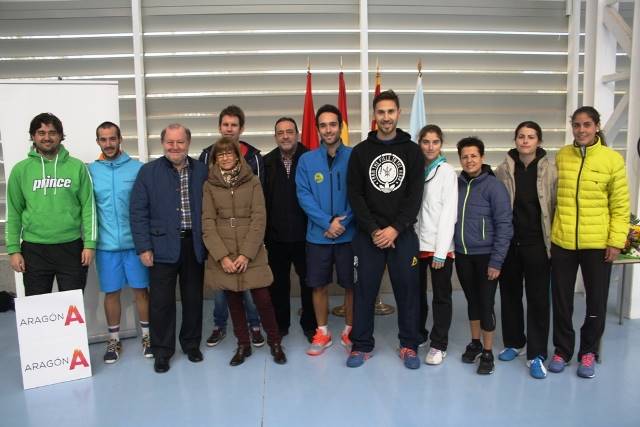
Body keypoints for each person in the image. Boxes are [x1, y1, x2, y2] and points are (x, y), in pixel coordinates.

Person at [548, 106, 629, 379]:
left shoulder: (612, 159)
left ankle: (588, 351)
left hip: (597, 245)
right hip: (563, 242)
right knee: (561, 300)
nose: (581, 130)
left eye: (586, 124)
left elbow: (620, 205)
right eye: (577, 125)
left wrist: (615, 241)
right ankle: (562, 350)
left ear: (596, 126)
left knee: (596, 301)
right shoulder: (562, 156)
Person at [346, 90, 424, 369]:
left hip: (402, 235)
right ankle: (361, 345)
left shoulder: (412, 151)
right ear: (374, 115)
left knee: (408, 292)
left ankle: (409, 345)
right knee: (364, 292)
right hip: (369, 236)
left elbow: (415, 196)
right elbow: (355, 195)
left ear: (399, 114)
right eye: (381, 112)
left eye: (391, 111)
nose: (386, 117)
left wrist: (395, 229)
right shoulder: (360, 152)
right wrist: (374, 230)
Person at [130, 123, 207, 373]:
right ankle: (162, 351)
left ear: (188, 143)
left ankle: (191, 344)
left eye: (180, 142)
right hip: (160, 246)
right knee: (161, 303)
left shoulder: (202, 170)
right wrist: (143, 247)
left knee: (193, 299)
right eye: (170, 142)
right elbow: (138, 212)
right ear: (163, 143)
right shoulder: (148, 172)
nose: (175, 147)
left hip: (194, 245)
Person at [202, 138, 286, 366]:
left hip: (252, 251)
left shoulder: (253, 181)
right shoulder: (209, 185)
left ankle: (275, 343)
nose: (225, 158)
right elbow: (208, 222)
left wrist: (246, 254)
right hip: (225, 253)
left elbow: (259, 218)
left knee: (263, 300)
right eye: (220, 154)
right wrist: (222, 257)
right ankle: (243, 345)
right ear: (215, 159)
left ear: (238, 156)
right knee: (234, 302)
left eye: (229, 153)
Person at [7, 112, 96, 295]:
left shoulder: (77, 167)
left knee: (72, 306)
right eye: (41, 133)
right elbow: (14, 211)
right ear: (33, 136)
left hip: (71, 247)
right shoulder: (20, 170)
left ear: (60, 136)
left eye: (52, 133)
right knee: (37, 305)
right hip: (34, 249)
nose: (47, 137)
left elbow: (89, 208)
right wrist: (13, 250)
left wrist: (89, 244)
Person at [198, 105, 264, 348]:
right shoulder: (207, 155)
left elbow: (260, 201)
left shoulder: (254, 157)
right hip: (220, 237)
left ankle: (254, 325)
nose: (229, 129)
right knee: (221, 288)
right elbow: (205, 197)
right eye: (225, 125)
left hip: (247, 237)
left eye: (234, 125)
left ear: (241, 128)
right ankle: (219, 325)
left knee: (249, 287)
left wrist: (251, 244)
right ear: (219, 127)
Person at [495, 121, 556, 379]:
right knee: (509, 294)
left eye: (531, 137)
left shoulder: (551, 170)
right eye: (521, 136)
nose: (525, 141)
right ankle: (514, 342)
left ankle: (537, 353)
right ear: (515, 140)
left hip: (537, 244)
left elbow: (555, 206)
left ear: (538, 141)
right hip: (510, 243)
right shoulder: (503, 170)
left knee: (538, 299)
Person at [89, 121, 151, 364]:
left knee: (141, 292)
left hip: (135, 245)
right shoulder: (91, 171)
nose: (108, 144)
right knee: (111, 293)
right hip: (106, 247)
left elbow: (147, 206)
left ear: (120, 139)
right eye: (103, 139)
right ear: (98, 142)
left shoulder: (137, 169)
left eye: (112, 138)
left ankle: (147, 336)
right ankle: (113, 340)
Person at [296, 104, 355, 356]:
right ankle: (322, 332)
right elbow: (304, 195)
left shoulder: (354, 156)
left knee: (351, 285)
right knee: (318, 285)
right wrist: (326, 223)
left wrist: (343, 223)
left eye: (333, 124)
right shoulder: (306, 160)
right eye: (323, 125)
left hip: (348, 235)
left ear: (340, 127)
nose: (328, 130)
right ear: (317, 129)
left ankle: (350, 330)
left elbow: (360, 195)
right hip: (318, 236)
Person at [454, 136, 512, 375]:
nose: (469, 160)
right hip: (463, 254)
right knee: (472, 301)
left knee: (486, 303)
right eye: (465, 157)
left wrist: (497, 261)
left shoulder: (494, 186)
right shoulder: (457, 185)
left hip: (487, 256)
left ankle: (488, 352)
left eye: (474, 156)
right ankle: (475, 343)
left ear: (482, 157)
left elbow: (504, 225)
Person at [263, 117, 317, 341]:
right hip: (276, 237)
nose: (285, 136)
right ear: (275, 136)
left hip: (307, 235)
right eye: (280, 133)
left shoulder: (311, 159)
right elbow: (263, 201)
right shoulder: (266, 162)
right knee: (278, 285)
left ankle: (310, 324)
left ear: (298, 134)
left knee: (309, 283)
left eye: (289, 131)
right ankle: (281, 325)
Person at [414, 125, 457, 366]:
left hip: (439, 247)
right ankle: (419, 334)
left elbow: (449, 214)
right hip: (417, 244)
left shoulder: (447, 172)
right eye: (426, 142)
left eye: (435, 142)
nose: (430, 147)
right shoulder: (416, 169)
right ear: (419, 143)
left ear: (441, 144)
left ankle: (439, 344)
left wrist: (441, 252)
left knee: (441, 296)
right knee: (416, 294)